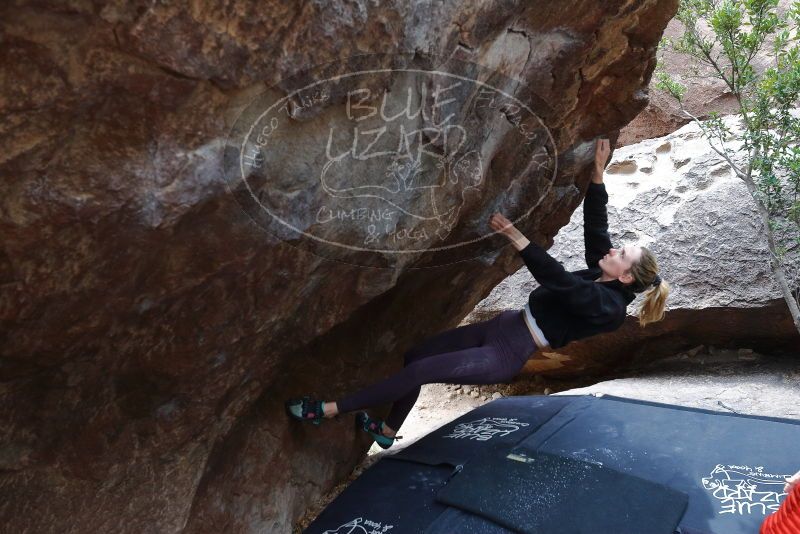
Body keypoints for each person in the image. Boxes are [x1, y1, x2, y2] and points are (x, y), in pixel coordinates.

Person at [285, 138, 670, 449]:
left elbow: (562, 285)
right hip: (503, 326)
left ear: (626, 277)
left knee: (421, 370)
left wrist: (518, 239)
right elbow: (596, 231)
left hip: (506, 352)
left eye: (622, 254)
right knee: (415, 356)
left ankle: (331, 409)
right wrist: (599, 175)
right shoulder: (600, 274)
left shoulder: (609, 309)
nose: (614, 250)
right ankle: (387, 430)